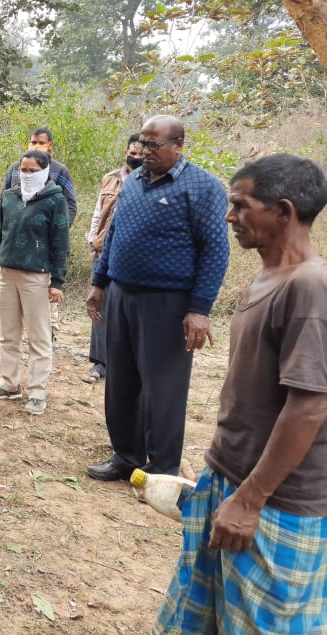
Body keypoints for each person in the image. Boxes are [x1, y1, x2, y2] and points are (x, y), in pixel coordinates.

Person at [154, 154, 327, 634]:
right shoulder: (268, 277)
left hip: (275, 505)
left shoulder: (311, 288)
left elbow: (310, 407)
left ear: (284, 211)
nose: (230, 216)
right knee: (198, 618)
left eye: (241, 206)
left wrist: (250, 501)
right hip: (229, 479)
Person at [86, 115, 230, 481]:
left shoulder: (201, 187)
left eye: (154, 145)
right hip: (121, 293)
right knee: (120, 380)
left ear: (178, 145)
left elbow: (215, 249)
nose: (144, 151)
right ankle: (126, 455)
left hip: (167, 302)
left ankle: (162, 465)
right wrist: (99, 282)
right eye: (142, 144)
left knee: (163, 387)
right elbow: (115, 233)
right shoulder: (132, 181)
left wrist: (200, 308)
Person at [0, 149, 69, 416]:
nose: (26, 174)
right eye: (23, 170)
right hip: (6, 271)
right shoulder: (10, 196)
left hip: (36, 275)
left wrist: (58, 282)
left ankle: (38, 392)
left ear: (45, 171)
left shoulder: (55, 200)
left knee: (39, 337)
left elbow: (61, 242)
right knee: (9, 333)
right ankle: (9, 383)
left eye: (32, 170)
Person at [80, 133, 143, 384]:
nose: (135, 157)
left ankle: (127, 363)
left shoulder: (149, 181)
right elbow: (99, 212)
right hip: (103, 250)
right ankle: (100, 363)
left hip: (132, 255)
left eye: (140, 154)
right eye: (132, 152)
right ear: (125, 151)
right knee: (99, 305)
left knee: (129, 308)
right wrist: (92, 239)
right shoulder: (110, 178)